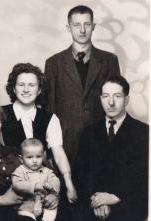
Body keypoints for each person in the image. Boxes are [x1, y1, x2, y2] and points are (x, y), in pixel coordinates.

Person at [73, 75, 148, 221]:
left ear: (127, 99)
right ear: (100, 99)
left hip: (128, 200)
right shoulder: (89, 132)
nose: (111, 102)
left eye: (117, 96)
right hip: (94, 201)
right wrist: (97, 200)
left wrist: (115, 197)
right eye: (106, 96)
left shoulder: (143, 132)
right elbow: (81, 174)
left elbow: (143, 176)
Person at [45, 5, 120, 167]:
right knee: (68, 190)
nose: (82, 30)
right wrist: (51, 151)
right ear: (68, 27)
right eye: (76, 25)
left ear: (93, 26)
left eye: (87, 24)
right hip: (65, 144)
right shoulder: (53, 63)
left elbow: (117, 103)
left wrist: (115, 142)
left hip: (101, 141)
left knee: (100, 190)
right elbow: (49, 108)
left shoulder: (109, 60)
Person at [1, 62, 77, 202]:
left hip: (42, 183)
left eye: (32, 85)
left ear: (40, 90)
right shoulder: (0, 114)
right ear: (13, 88)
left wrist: (69, 184)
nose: (26, 90)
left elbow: (59, 155)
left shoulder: (49, 118)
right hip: (10, 185)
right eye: (21, 85)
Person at [12, 138, 60, 221]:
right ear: (21, 159)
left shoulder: (47, 171)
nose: (35, 160)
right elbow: (17, 184)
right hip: (28, 204)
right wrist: (34, 186)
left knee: (53, 207)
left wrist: (52, 187)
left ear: (44, 156)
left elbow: (56, 181)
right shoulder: (20, 171)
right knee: (26, 219)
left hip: (44, 204)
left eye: (38, 156)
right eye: (29, 157)